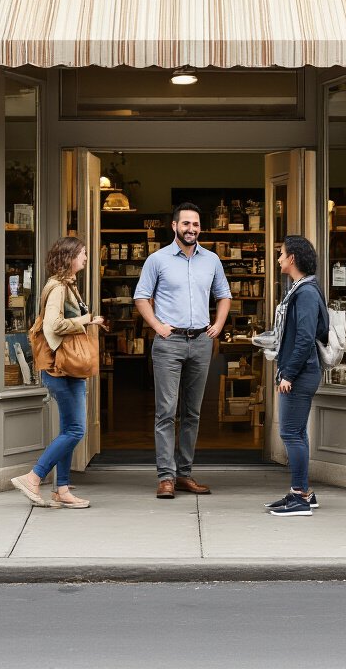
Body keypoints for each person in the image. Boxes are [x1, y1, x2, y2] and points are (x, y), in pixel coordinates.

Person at [134, 202, 231, 499]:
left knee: (192, 412)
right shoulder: (157, 259)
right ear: (174, 226)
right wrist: (157, 326)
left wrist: (218, 325)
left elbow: (224, 295)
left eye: (196, 224)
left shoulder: (212, 260)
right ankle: (166, 477)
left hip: (201, 342)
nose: (191, 229)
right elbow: (141, 297)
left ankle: (184, 474)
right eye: (186, 223)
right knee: (166, 411)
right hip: (169, 343)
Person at [11, 236, 104, 509]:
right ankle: (33, 477)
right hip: (60, 368)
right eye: (82, 253)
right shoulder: (58, 288)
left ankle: (62, 489)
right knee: (76, 430)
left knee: (68, 430)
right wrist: (86, 319)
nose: (85, 258)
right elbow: (53, 325)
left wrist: (89, 321)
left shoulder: (68, 286)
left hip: (69, 369)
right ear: (70, 257)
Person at [264, 236, 328, 517]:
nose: (278, 258)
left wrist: (288, 373)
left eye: (281, 254)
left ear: (292, 258)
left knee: (290, 432)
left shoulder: (306, 293)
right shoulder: (301, 289)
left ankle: (299, 497)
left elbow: (305, 337)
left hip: (299, 373)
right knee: (297, 432)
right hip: (301, 371)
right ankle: (303, 493)